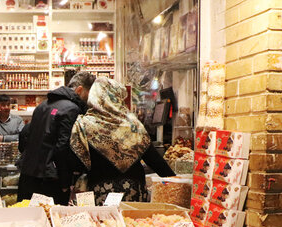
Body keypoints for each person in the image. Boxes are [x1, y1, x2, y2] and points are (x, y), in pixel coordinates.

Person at [69, 77, 175, 205]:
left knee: (104, 224)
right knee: (134, 224)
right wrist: (175, 181)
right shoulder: (132, 125)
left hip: (99, 193)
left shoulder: (83, 124)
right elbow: (153, 159)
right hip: (133, 193)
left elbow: (76, 162)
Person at [17, 71, 95, 205]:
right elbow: (62, 147)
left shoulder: (43, 105)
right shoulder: (71, 109)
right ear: (80, 90)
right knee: (52, 219)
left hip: (28, 175)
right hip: (50, 180)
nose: (89, 100)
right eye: (89, 95)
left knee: (28, 219)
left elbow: (25, 135)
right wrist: (65, 181)